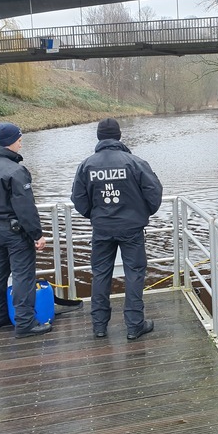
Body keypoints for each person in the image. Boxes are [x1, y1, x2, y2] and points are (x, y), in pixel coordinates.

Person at [71, 118, 163, 340]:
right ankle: (134, 325)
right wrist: (142, 214)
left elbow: (78, 198)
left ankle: (99, 325)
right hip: (131, 228)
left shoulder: (87, 165)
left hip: (102, 228)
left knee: (101, 274)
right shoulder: (135, 163)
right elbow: (154, 192)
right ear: (119, 136)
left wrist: (95, 216)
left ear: (99, 137)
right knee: (134, 274)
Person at [0, 122, 51, 339]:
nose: (21, 143)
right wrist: (37, 234)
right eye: (19, 139)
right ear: (9, 142)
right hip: (15, 232)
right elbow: (25, 208)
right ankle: (25, 323)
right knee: (23, 275)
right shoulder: (15, 171)